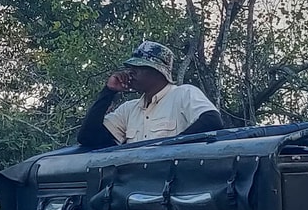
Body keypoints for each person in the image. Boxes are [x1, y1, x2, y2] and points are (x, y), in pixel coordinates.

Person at [78, 41, 222, 148]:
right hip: (135, 186)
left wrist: (170, 149)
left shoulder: (184, 94)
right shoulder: (129, 109)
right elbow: (88, 137)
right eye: (130, 67)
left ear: (158, 72)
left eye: (138, 67)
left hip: (174, 184)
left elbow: (212, 120)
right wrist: (108, 91)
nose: (130, 72)